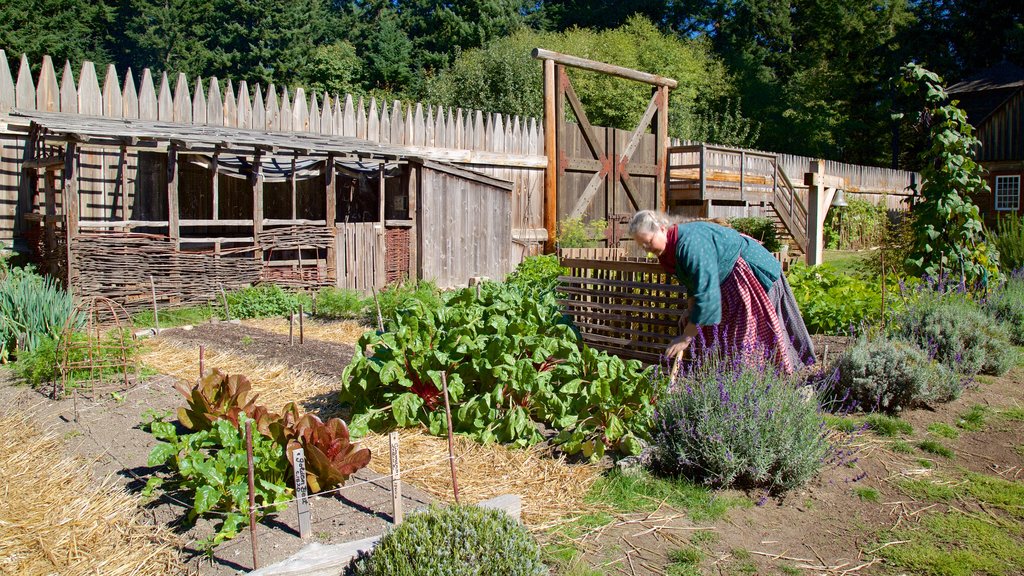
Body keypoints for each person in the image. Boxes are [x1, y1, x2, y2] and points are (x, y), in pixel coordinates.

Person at [628, 210, 815, 373]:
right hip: (725, 282)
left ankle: (769, 389)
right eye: (642, 245)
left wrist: (686, 337)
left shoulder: (689, 245)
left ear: (662, 228)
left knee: (749, 341)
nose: (648, 249)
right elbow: (694, 282)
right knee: (724, 340)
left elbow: (707, 295)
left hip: (750, 273)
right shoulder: (670, 251)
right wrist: (690, 309)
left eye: (649, 241)